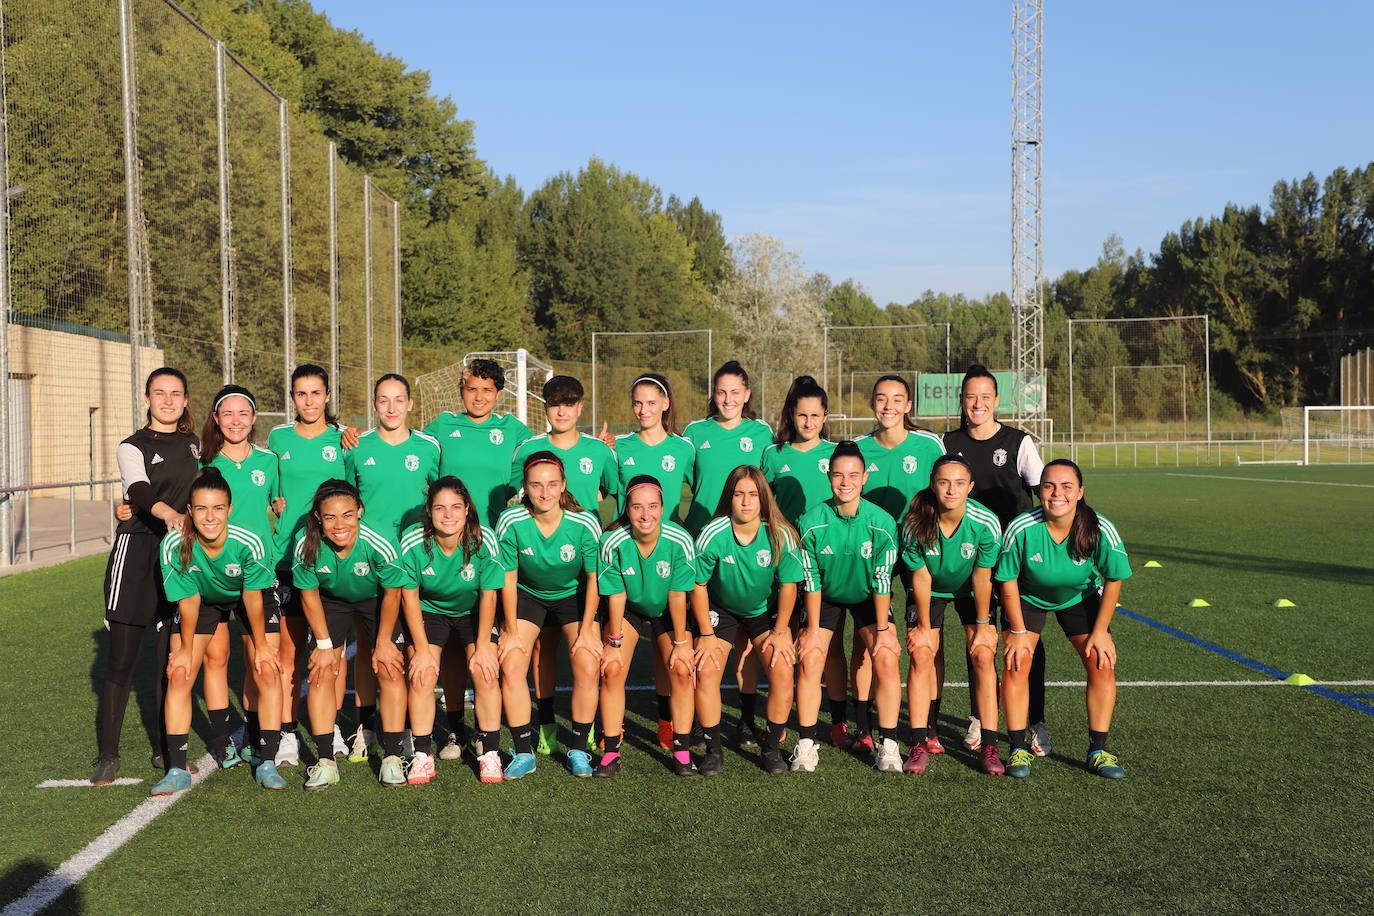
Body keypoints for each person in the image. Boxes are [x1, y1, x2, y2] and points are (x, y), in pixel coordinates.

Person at [93, 368, 201, 785]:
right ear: (147, 398)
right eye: (160, 393)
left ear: (186, 400)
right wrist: (169, 514)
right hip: (136, 554)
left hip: (178, 556)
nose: (168, 401)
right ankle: (108, 754)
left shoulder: (194, 444)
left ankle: (164, 748)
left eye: (175, 394)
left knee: (167, 663)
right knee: (122, 661)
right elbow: (137, 490)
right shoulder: (131, 445)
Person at [420, 358, 532, 761]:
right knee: (451, 650)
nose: (479, 397)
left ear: (499, 394)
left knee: (490, 648)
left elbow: (549, 455)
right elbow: (410, 454)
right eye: (471, 389)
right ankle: (453, 729)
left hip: (492, 552)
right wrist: (349, 435)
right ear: (461, 391)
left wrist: (603, 446)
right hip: (447, 548)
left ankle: (496, 731)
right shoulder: (441, 427)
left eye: (487, 390)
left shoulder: (515, 431)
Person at [150, 469, 283, 794]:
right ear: (189, 511)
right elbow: (189, 600)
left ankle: (267, 762)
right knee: (180, 673)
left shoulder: (249, 541)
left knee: (267, 670)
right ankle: (177, 768)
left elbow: (252, 597)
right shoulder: (173, 544)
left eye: (218, 508)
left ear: (229, 509)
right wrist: (184, 650)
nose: (210, 517)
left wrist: (262, 645)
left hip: (251, 595)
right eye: (201, 509)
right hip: (203, 597)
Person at [996, 459, 1131, 779]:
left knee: (1101, 661)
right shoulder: (1022, 527)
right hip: (1027, 597)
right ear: (1040, 490)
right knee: (1017, 662)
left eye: (1067, 486)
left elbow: (1114, 578)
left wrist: (1101, 631)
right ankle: (1017, 748)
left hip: (1079, 597)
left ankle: (1098, 750)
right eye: (1049, 486)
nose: (1057, 494)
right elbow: (1008, 580)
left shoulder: (1099, 527)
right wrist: (1017, 631)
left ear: (1080, 492)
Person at [941, 364, 1049, 755]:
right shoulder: (946, 442)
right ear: (961, 400)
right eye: (971, 396)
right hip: (969, 562)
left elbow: (1046, 495)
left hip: (1015, 563)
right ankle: (979, 717)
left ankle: (1035, 721)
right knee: (978, 640)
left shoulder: (1018, 442)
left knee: (1022, 640)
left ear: (997, 400)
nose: (978, 403)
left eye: (985, 396)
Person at [508, 375, 616, 753]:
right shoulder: (529, 448)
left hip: (582, 568)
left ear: (580, 408)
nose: (562, 411)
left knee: (587, 653)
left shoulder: (599, 450)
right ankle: (546, 724)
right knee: (542, 650)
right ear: (546, 408)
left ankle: (587, 728)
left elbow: (611, 491)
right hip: (537, 565)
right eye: (555, 404)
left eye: (569, 404)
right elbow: (511, 494)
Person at [838, 376, 944, 754]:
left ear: (908, 405)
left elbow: (946, 490)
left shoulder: (929, 445)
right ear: (872, 403)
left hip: (918, 551)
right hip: (871, 552)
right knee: (866, 640)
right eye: (882, 399)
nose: (889, 406)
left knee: (926, 639)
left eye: (897, 399)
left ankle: (928, 727)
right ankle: (864, 726)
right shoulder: (859, 447)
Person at [291, 480, 411, 788]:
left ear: (360, 511)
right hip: (332, 601)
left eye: (347, 515)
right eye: (330, 517)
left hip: (376, 598)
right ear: (318, 517)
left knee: (389, 666)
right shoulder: (306, 542)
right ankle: (325, 761)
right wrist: (323, 645)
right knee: (321, 671)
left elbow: (393, 593)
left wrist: (383, 642)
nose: (339, 525)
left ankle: (392, 757)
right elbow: (309, 595)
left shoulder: (379, 539)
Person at [792, 441, 903, 773]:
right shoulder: (811, 521)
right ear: (829, 476)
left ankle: (888, 745)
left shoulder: (882, 522)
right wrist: (812, 631)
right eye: (838, 475)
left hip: (868, 594)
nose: (845, 482)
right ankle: (807, 744)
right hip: (825, 594)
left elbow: (882, 579)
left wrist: (883, 630)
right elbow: (811, 579)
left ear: (865, 477)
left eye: (853, 475)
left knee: (886, 655)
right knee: (811, 656)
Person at [346, 374, 440, 759]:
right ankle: (366, 727)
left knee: (416, 645)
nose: (391, 407)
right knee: (369, 646)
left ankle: (414, 729)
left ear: (410, 404)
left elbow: (441, 497)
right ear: (374, 405)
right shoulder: (356, 447)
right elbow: (346, 501)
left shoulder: (429, 448)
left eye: (398, 399)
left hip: (417, 561)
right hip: (371, 561)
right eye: (383, 400)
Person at [495, 453, 603, 778]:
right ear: (525, 487)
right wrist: (510, 629)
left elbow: (594, 579)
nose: (545, 493)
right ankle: (523, 752)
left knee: (587, 662)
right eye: (536, 485)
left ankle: (579, 750)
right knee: (511, 662)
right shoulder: (511, 521)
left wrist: (587, 629)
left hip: (573, 596)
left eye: (552, 484)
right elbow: (509, 578)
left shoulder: (583, 523)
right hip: (528, 595)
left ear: (564, 485)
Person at [604, 373, 696, 750]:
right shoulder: (618, 447)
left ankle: (666, 721)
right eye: (638, 403)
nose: (644, 409)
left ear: (666, 404)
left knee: (665, 653)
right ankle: (611, 729)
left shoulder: (685, 448)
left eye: (651, 402)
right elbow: (605, 491)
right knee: (615, 657)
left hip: (668, 558)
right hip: (629, 556)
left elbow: (703, 490)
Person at [690, 466, 800, 775]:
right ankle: (713, 749)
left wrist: (780, 631)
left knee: (782, 669)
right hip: (721, 609)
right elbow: (698, 585)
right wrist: (706, 634)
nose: (746, 501)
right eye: (739, 494)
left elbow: (789, 586)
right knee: (706, 669)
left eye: (753, 494)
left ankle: (771, 748)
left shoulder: (780, 534)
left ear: (764, 498)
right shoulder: (713, 533)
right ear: (729, 497)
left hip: (764, 611)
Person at [268, 365, 352, 767]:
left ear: (328, 395)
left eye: (316, 393)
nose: (309, 401)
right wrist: (275, 504)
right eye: (301, 393)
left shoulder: (345, 439)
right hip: (287, 558)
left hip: (329, 561)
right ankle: (287, 733)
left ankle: (329, 727)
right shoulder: (278, 437)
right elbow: (271, 489)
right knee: (289, 651)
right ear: (292, 397)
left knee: (333, 653)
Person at [899, 456, 1004, 776]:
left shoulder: (986, 522)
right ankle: (920, 741)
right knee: (922, 653)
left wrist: (984, 625)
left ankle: (989, 745)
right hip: (929, 589)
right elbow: (920, 577)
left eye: (959, 483)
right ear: (932, 484)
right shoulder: (915, 522)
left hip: (972, 590)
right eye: (944, 482)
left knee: (983, 654)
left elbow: (983, 576)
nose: (951, 490)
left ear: (970, 487)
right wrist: (923, 626)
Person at [397, 478, 506, 784]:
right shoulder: (413, 540)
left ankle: (490, 754)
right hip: (430, 612)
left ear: (467, 509)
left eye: (456, 507)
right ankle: (422, 757)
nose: (448, 515)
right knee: (422, 673)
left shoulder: (484, 539)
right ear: (428, 511)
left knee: (485, 671)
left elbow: (489, 596)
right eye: (439, 508)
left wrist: (483, 646)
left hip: (474, 613)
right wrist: (421, 650)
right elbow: (409, 597)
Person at [197, 385, 281, 770]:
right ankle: (221, 741)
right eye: (228, 414)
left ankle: (251, 735)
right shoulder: (205, 465)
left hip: (256, 573)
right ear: (216, 418)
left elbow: (280, 504)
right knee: (216, 657)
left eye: (243, 413)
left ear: (254, 418)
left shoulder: (269, 461)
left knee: (257, 659)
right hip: (213, 574)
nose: (236, 421)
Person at [594, 475, 698, 777]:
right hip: (629, 608)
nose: (645, 514)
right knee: (612, 670)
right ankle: (611, 751)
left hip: (668, 609)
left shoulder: (680, 540)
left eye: (652, 506)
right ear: (627, 509)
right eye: (637, 507)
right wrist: (613, 644)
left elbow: (678, 595)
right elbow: (616, 595)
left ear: (663, 508)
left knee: (682, 669)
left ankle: (681, 750)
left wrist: (681, 644)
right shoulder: (613, 541)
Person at [682, 361, 773, 535]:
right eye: (721, 392)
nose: (728, 400)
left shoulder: (762, 433)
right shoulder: (694, 432)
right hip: (700, 532)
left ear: (747, 395)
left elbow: (771, 486)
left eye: (735, 392)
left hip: (748, 536)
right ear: (714, 395)